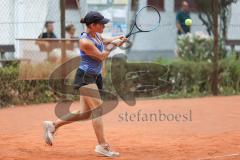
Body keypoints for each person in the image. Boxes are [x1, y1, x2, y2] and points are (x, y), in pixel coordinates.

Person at [43, 11, 127, 157]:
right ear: (92, 25)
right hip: (86, 77)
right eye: (101, 24)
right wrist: (113, 46)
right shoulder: (85, 41)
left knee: (83, 113)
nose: (104, 25)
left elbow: (106, 40)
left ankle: (53, 125)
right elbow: (101, 56)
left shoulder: (96, 35)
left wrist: (117, 39)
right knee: (98, 109)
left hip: (95, 76)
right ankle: (102, 146)